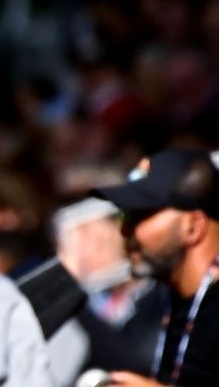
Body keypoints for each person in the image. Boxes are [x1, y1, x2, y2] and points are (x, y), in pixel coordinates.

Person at [88, 147, 219, 386]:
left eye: (139, 215)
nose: (124, 230)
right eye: (124, 215)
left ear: (193, 227)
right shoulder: (166, 300)